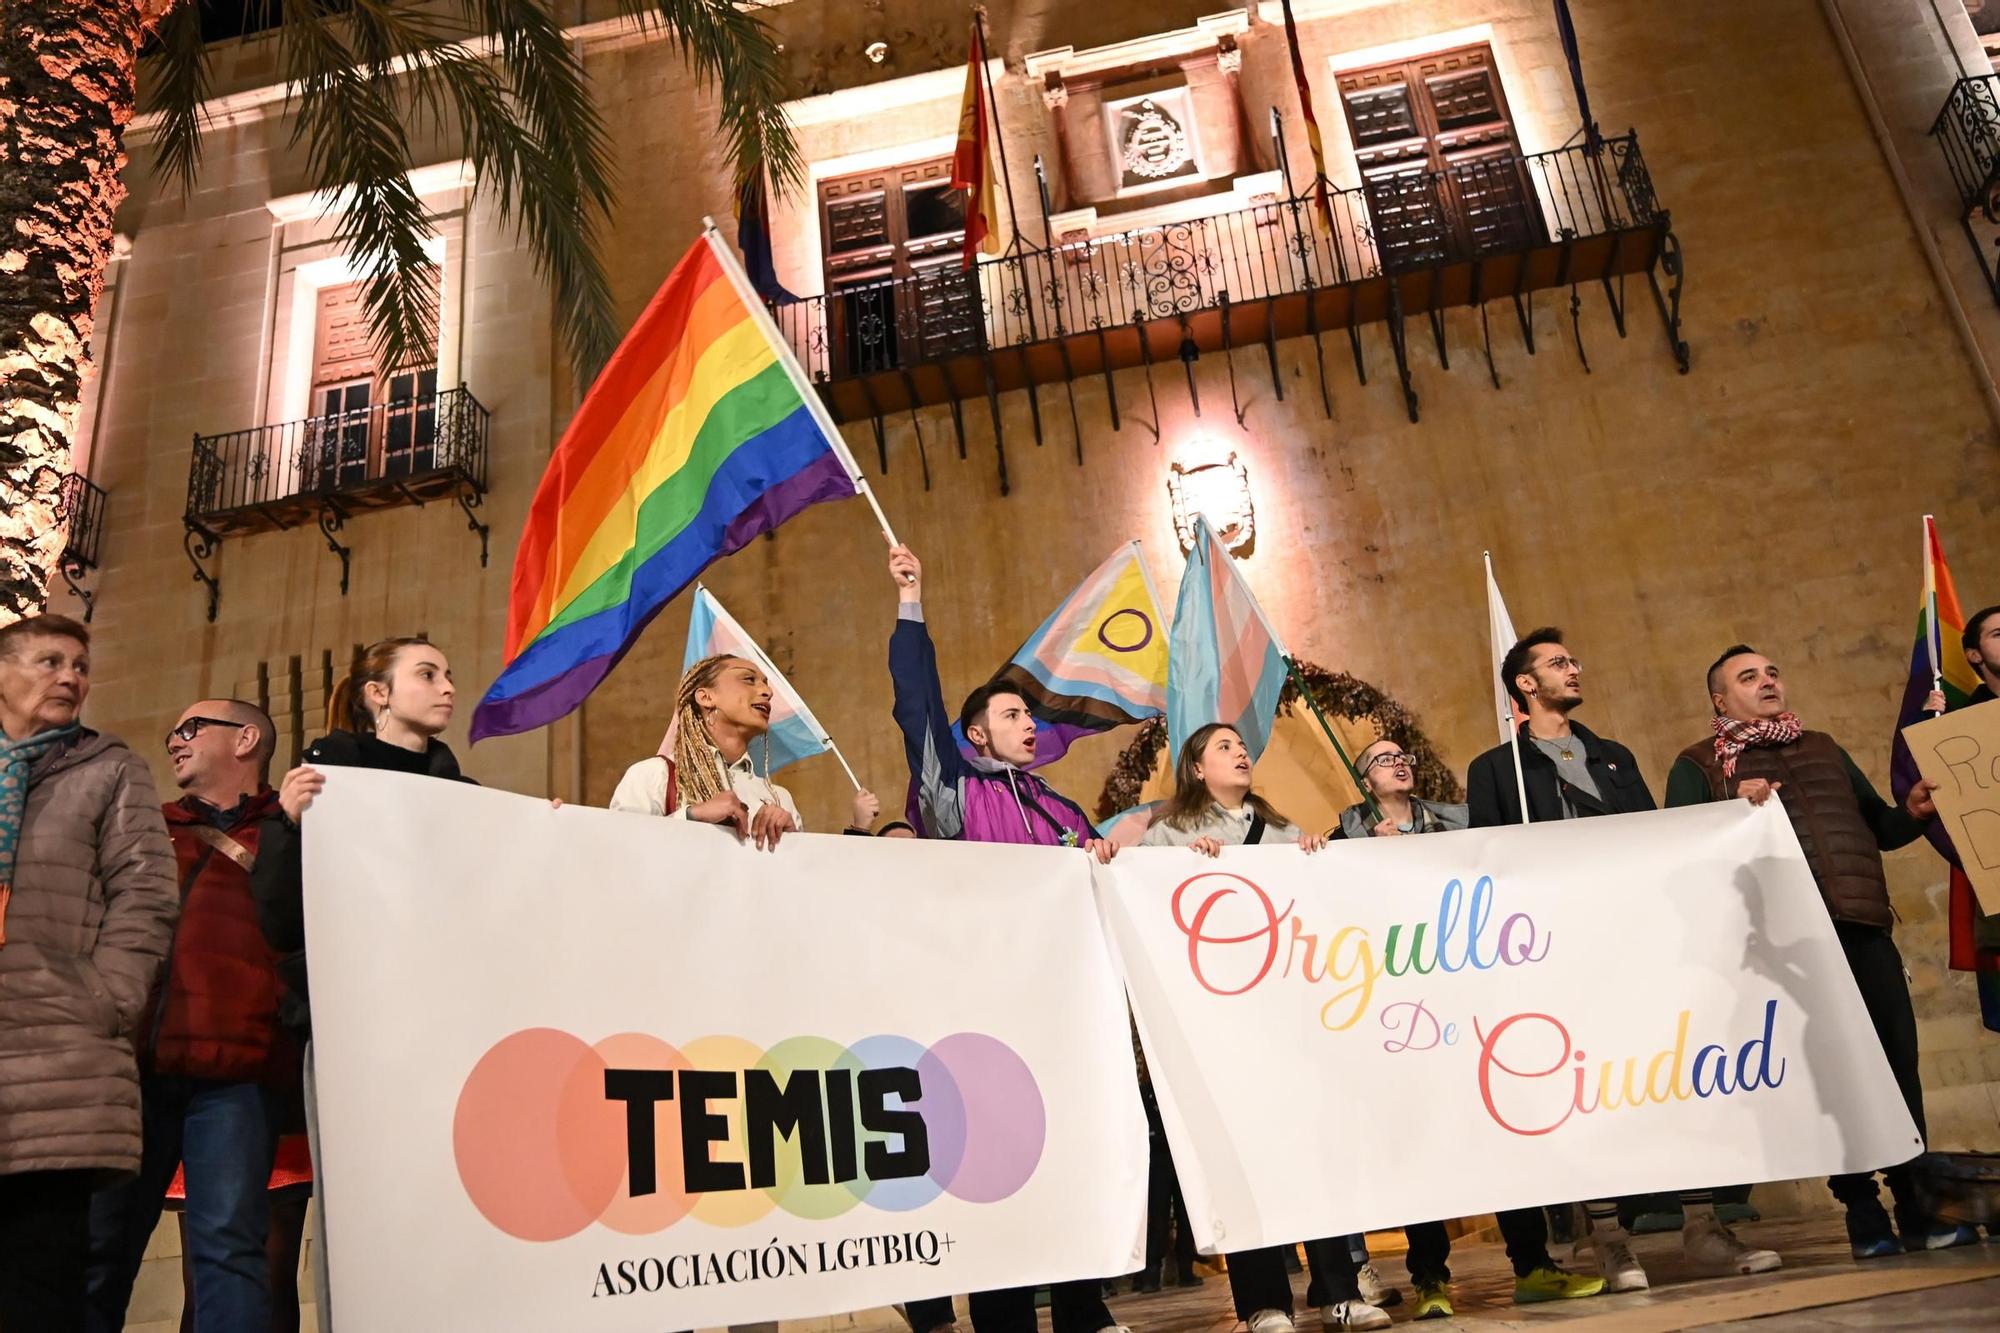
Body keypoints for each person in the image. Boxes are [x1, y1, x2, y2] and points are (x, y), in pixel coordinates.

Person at [1666, 644, 1982, 1257]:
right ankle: (1862, 1210)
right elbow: (1678, 847)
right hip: (1787, 945)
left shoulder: (1823, 747)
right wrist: (1731, 807)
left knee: (1897, 1065)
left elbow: (1878, 828)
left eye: (1773, 672)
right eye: (1748, 677)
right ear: (1719, 699)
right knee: (1833, 1076)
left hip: (1862, 928)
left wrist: (1912, 814)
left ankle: (1914, 1206)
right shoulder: (1700, 764)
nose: (1767, 683)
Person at [887, 543, 1126, 1333]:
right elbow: (915, 702)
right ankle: (1004, 1320)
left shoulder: (1059, 808)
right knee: (1001, 1167)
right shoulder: (947, 793)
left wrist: (1102, 857)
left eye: (1030, 713)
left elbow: (1103, 885)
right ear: (976, 735)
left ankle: (1086, 1311)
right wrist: (911, 602)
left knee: (1073, 1160)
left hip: (1064, 1010)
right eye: (1014, 714)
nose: (1032, 722)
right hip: (986, 1013)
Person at [251, 636, 472, 1333]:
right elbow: (281, 916)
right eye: (428, 673)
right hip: (352, 1025)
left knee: (443, 1200)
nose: (448, 688)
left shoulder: (462, 794)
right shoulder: (325, 774)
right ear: (378, 693)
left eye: (448, 675)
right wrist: (285, 822)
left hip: (441, 1028)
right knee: (359, 1207)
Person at [1139, 723, 1391, 1331]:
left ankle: (1337, 1290)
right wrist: (1179, 869)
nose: (1240, 752)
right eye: (1223, 747)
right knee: (1247, 1161)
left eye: (1241, 745)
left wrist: (1310, 862)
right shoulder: (1168, 836)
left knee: (1315, 1152)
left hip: (1291, 1020)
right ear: (1196, 768)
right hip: (1224, 1029)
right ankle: (1262, 1302)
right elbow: (1151, 911)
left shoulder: (1280, 832)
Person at [85, 699, 295, 1333]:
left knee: (229, 1252)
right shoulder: (140, 829)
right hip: (131, 1073)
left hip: (237, 1071)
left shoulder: (293, 833)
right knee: (98, 1250)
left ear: (246, 739)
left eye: (191, 728)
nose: (174, 740)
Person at [0, 614, 179, 1333]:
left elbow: (146, 892)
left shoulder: (108, 768)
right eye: (50, 660)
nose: (71, 676)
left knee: (38, 1280)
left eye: (79, 664)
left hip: (59, 1050)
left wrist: (106, 997)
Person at [609, 654, 798, 849]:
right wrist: (691, 816)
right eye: (749, 679)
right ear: (705, 697)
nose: (767, 691)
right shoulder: (653, 775)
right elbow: (618, 851)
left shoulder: (780, 799)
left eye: (765, 684)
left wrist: (793, 841)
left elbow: (804, 875)